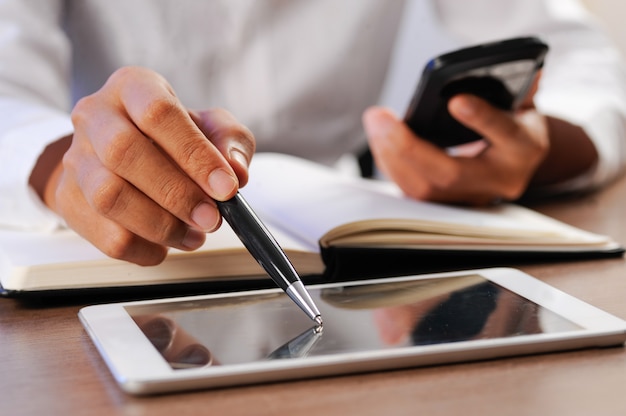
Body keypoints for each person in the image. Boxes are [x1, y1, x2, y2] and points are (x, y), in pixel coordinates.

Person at [1, 0, 625, 267]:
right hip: (92, 250)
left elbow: (584, 63)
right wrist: (66, 166)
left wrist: (529, 151)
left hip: (355, 244)